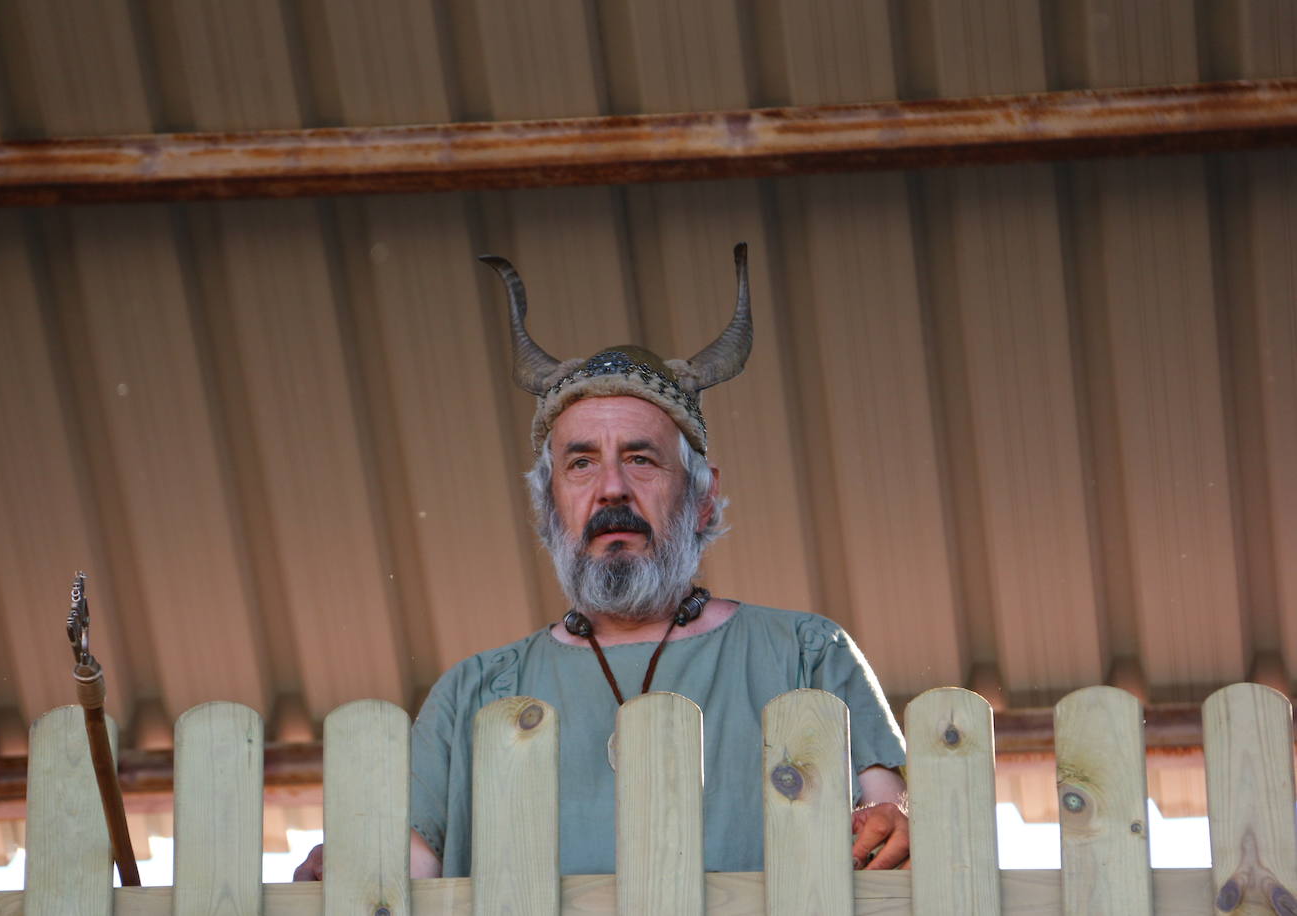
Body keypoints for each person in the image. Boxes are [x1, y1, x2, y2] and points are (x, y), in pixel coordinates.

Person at [296, 244, 909, 881]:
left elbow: (887, 826)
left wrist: (892, 822)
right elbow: (402, 878)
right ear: (548, 506)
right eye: (581, 463)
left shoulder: (806, 653)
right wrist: (350, 872)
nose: (611, 488)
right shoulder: (473, 693)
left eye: (641, 459)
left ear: (700, 499)